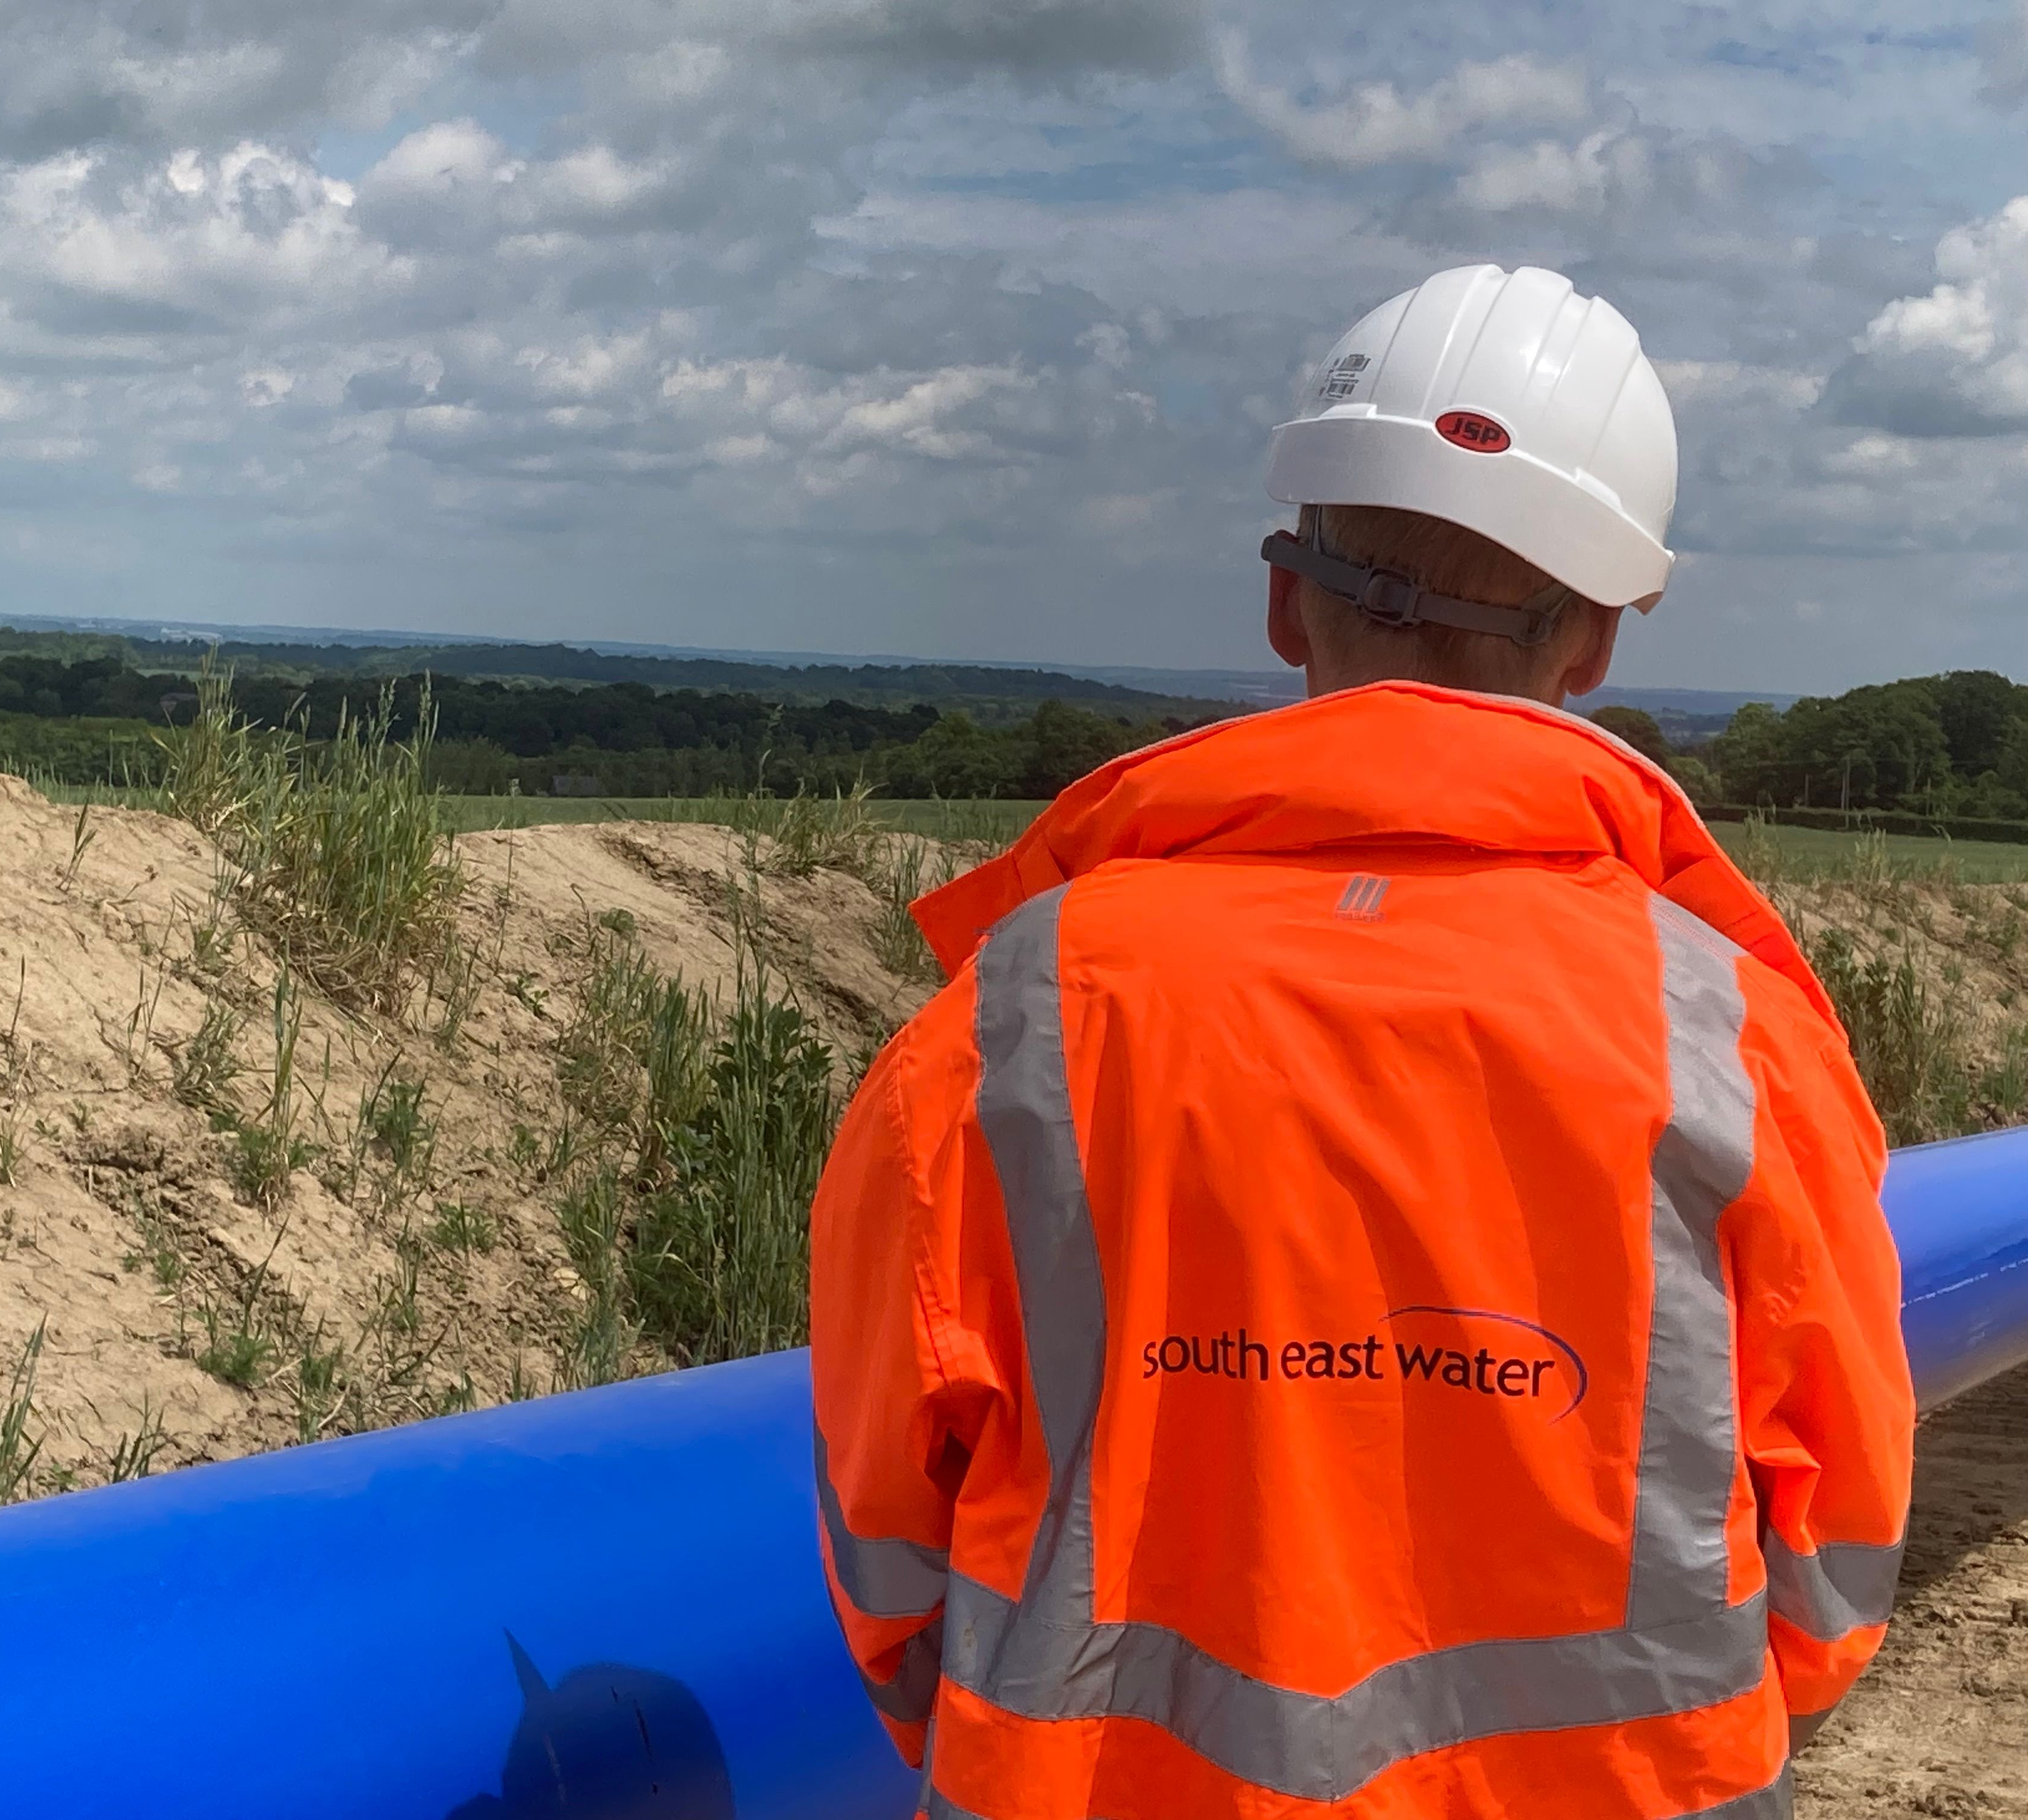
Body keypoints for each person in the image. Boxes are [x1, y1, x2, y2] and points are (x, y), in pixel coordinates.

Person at [807, 264, 1914, 1820]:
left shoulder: (1010, 1022)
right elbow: (1836, 1554)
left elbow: (886, 1526)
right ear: (1592, 645)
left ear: (1281, 600)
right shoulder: (1736, 1039)